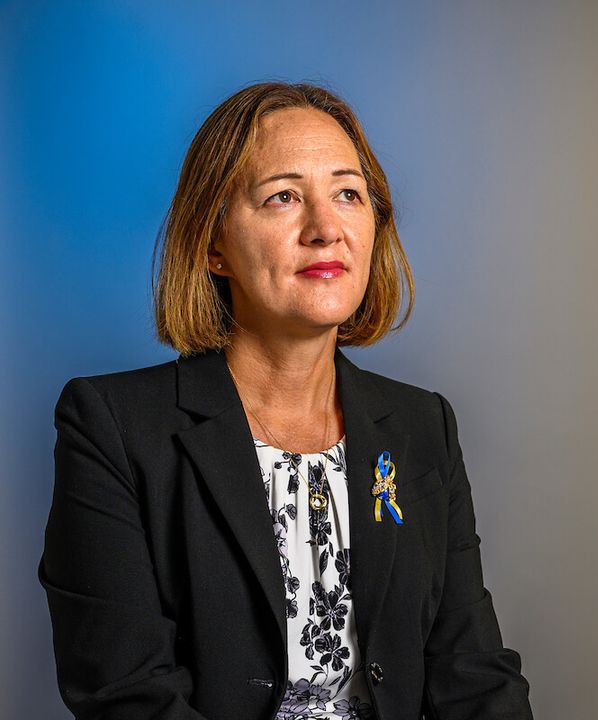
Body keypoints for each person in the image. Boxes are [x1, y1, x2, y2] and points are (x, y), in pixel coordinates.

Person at [38, 82, 533, 720]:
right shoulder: (112, 426)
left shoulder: (422, 426)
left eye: (348, 194)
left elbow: (473, 674)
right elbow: (127, 695)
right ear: (213, 244)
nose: (326, 230)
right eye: (283, 197)